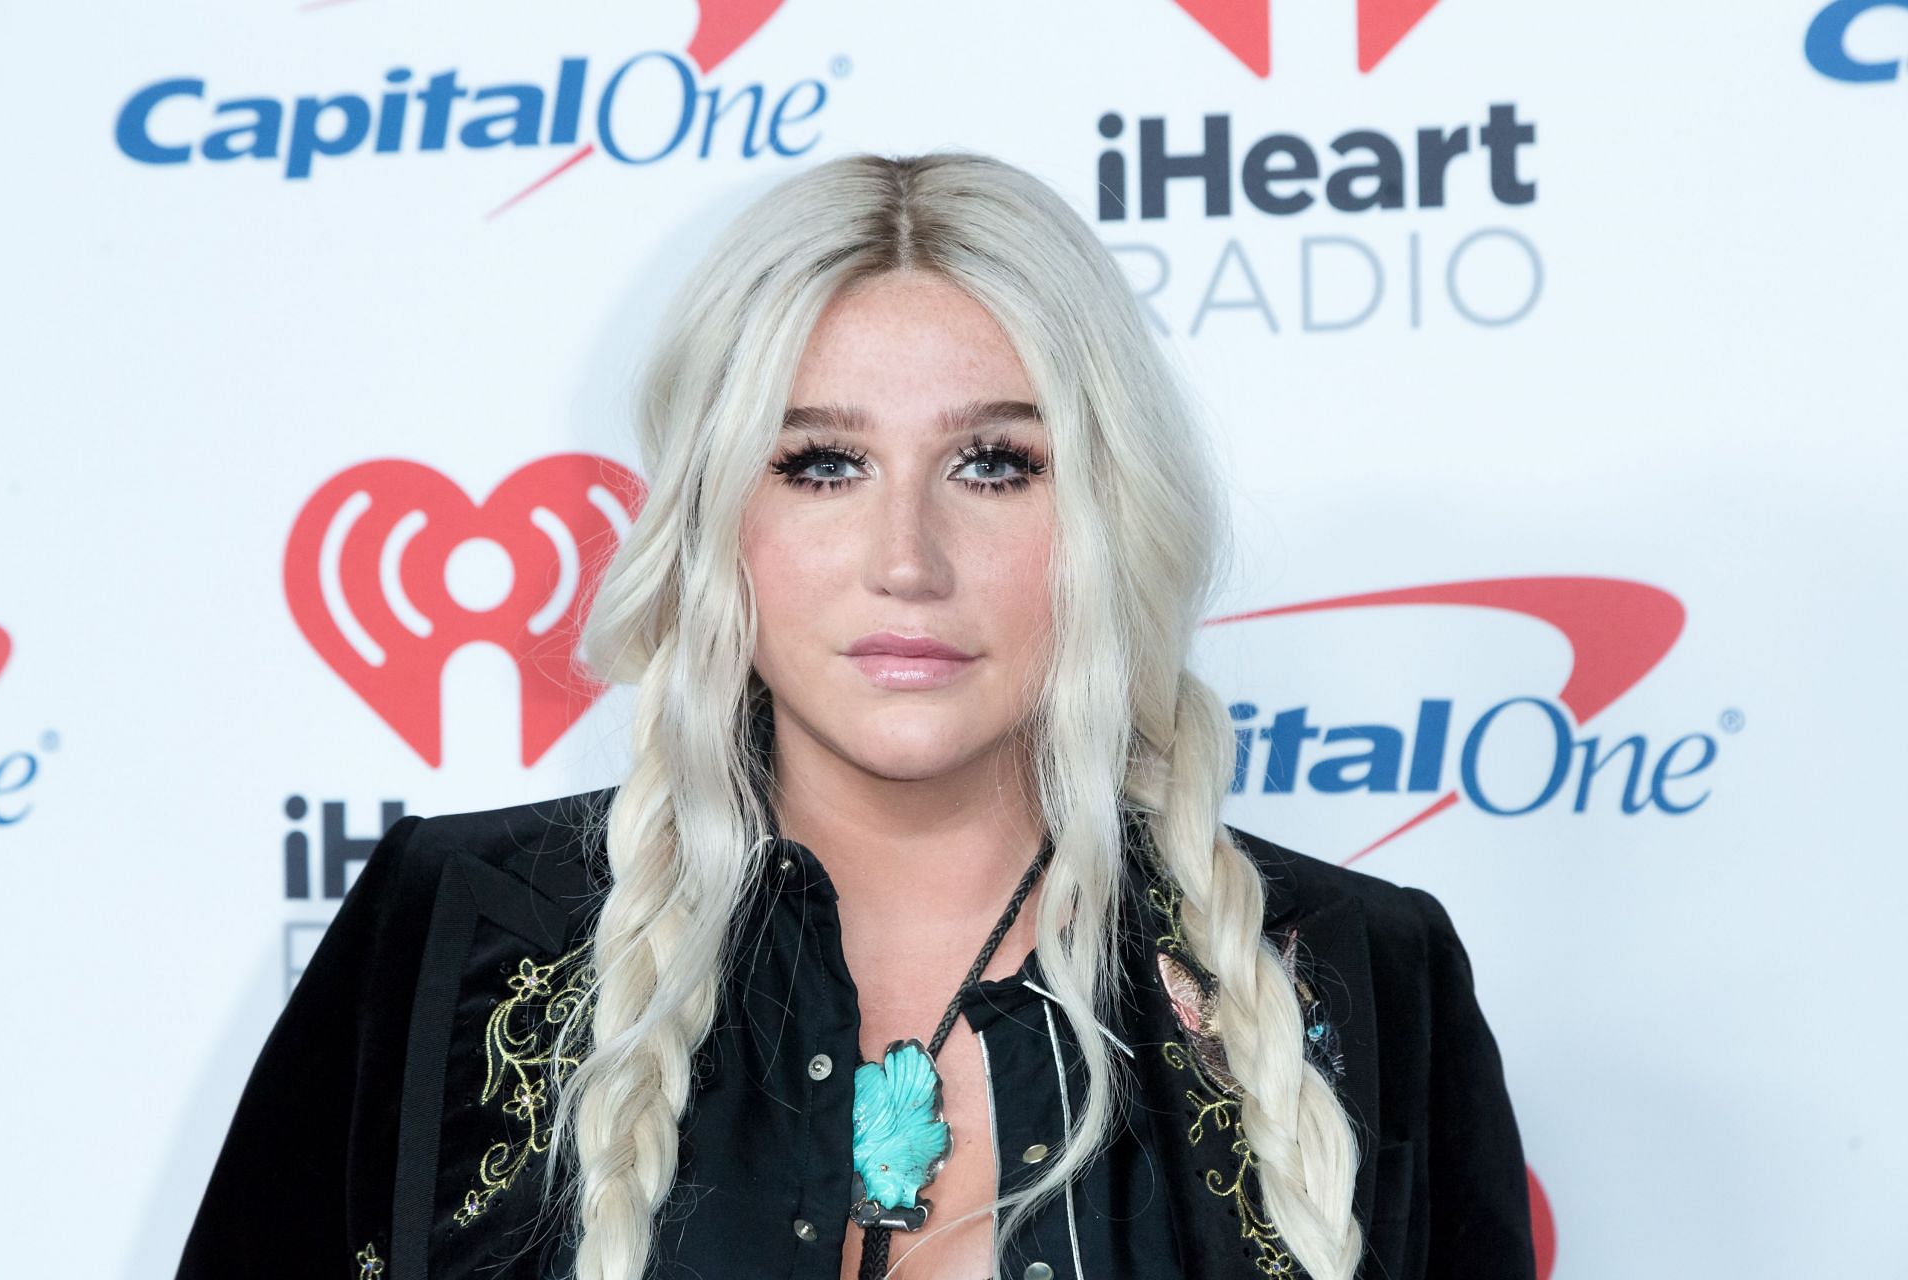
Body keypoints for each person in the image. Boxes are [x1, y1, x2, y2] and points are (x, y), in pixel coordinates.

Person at [175, 151, 1535, 1280]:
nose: (907, 556)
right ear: (722, 518)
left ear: (1105, 517)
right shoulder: (456, 934)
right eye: (822, 463)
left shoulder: (1367, 983)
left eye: (995, 465)